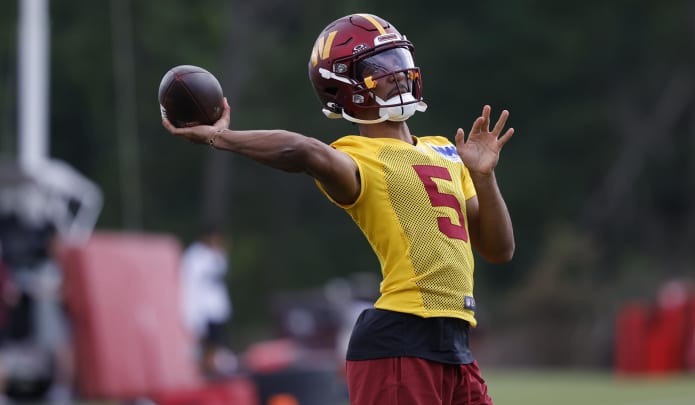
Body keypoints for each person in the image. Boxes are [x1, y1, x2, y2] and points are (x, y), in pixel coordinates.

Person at [163, 13, 515, 405]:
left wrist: (484, 178)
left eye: (399, 62)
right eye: (381, 68)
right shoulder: (355, 156)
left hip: (456, 345)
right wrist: (221, 137)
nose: (398, 75)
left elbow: (500, 250)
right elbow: (302, 150)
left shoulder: (446, 150)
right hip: (401, 342)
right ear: (344, 87)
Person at [178, 226, 237, 377]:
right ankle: (201, 373)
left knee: (217, 344)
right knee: (202, 345)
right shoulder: (194, 257)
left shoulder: (218, 256)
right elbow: (189, 285)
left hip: (216, 310)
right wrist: (190, 312)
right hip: (200, 310)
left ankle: (212, 371)